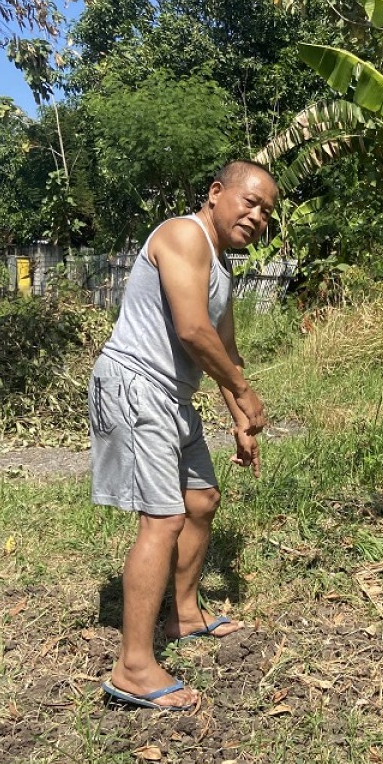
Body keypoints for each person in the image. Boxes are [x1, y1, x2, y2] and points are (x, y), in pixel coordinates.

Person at [90, 160, 278, 710]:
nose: (257, 215)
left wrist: (240, 421)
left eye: (266, 211)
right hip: (136, 384)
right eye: (250, 201)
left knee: (201, 499)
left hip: (174, 395)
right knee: (164, 516)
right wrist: (243, 394)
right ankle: (134, 667)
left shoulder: (221, 268)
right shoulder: (181, 235)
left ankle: (185, 614)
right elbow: (191, 330)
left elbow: (223, 349)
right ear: (217, 193)